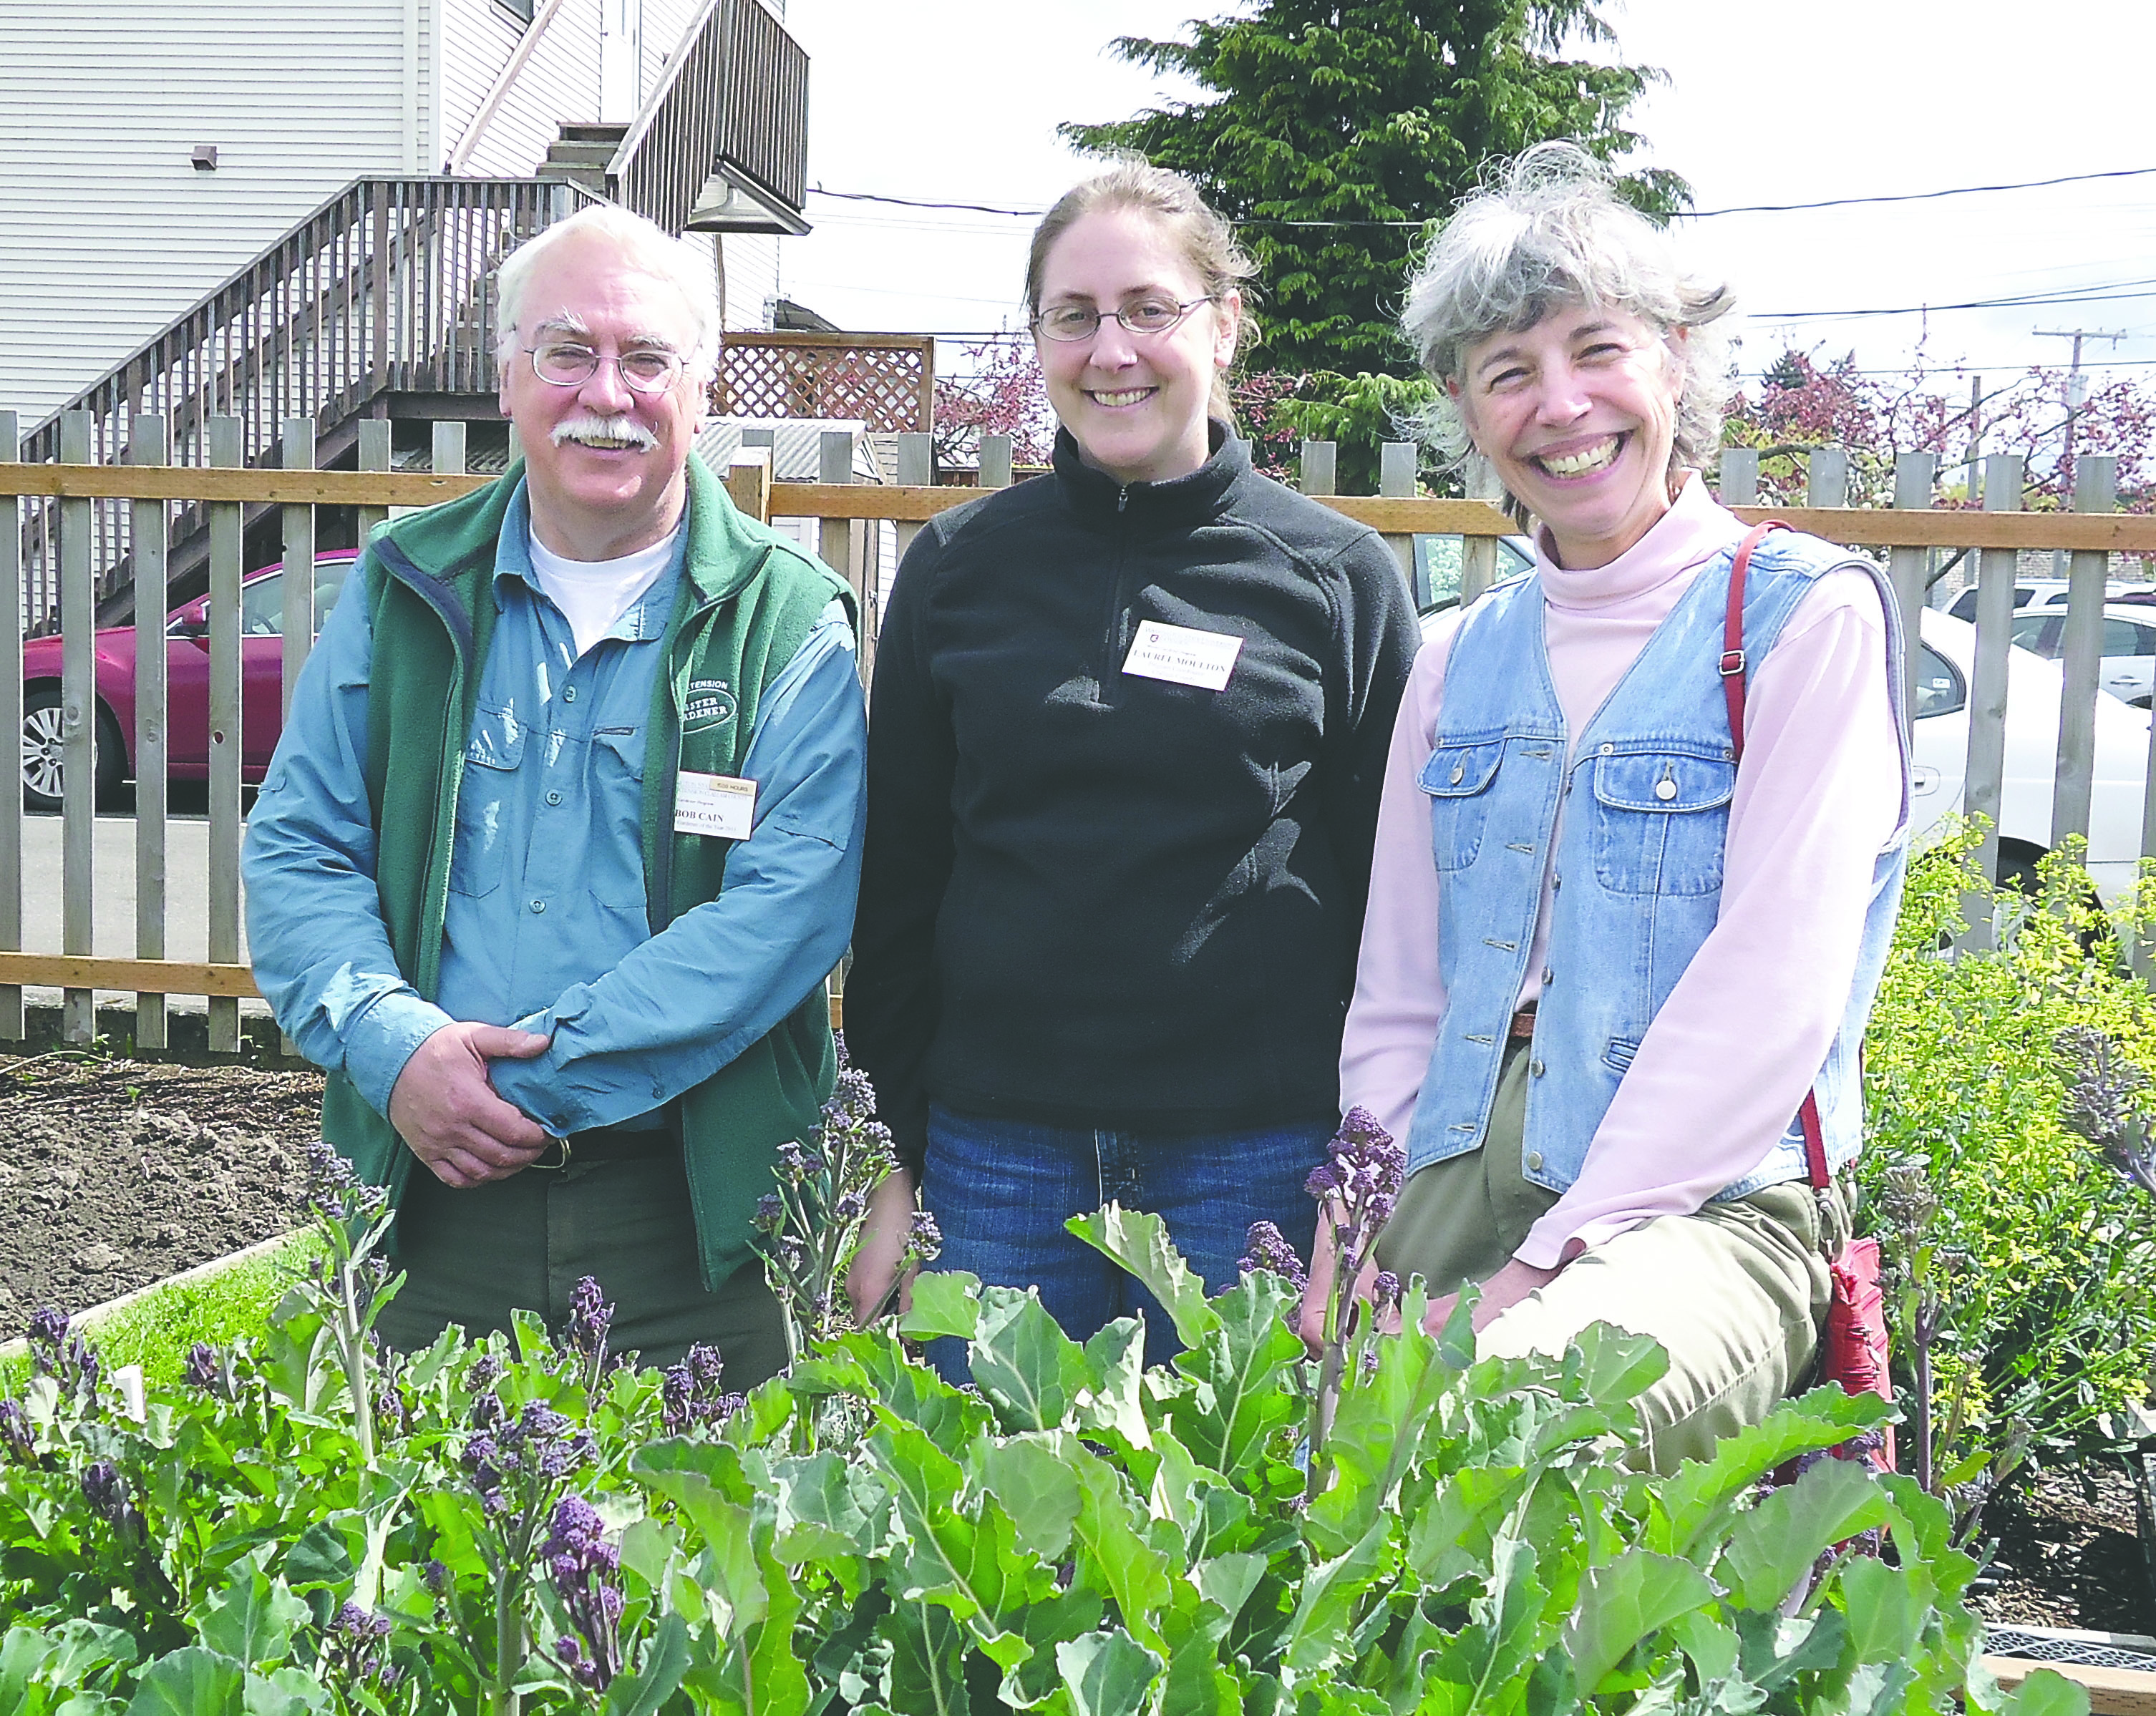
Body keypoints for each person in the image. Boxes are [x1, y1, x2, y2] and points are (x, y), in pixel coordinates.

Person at [1311, 144, 1910, 1471]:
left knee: (1515, 1427)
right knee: (1313, 1500)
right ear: (1466, 410)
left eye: (1598, 350)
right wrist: (1347, 1240)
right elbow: (1401, 994)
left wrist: (1545, 1266)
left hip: (1708, 1205)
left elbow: (1772, 992)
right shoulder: (1454, 656)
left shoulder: (1801, 618)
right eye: (1509, 371)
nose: (1561, 404)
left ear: (1677, 359)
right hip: (1445, 1179)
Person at [243, 204, 865, 1380]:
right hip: (426, 1208)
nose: (607, 393)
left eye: (646, 358)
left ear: (702, 381)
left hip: (698, 1227)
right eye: (569, 352)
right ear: (507, 375)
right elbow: (299, 851)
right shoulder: (404, 589)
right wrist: (395, 1046)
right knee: (421, 1555)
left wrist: (513, 1078)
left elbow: (789, 913)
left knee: (710, 1560)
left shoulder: (789, 620)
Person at [845, 161, 1419, 1370]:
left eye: (1150, 309)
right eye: (1075, 315)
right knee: (981, 1533)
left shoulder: (1336, 578)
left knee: (1245, 1532)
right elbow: (896, 888)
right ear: (1040, 336)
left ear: (1224, 325)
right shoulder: (955, 572)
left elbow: (1397, 914)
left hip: (1253, 1164)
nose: (1113, 350)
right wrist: (891, 1152)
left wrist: (1360, 1187)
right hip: (997, 1165)